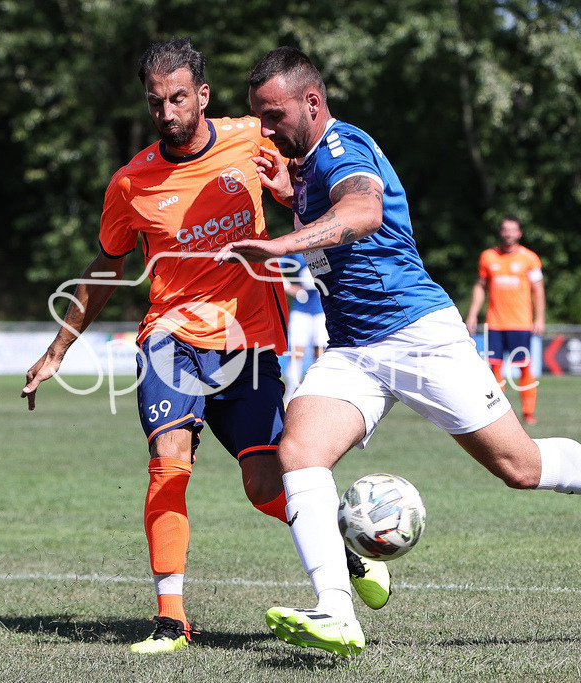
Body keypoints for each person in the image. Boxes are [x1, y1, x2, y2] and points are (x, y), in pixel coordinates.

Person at [216, 47, 581, 658]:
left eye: (273, 113)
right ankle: (336, 611)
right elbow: (339, 215)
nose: (264, 128)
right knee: (299, 452)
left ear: (313, 102)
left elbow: (362, 211)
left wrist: (281, 241)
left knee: (519, 468)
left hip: (420, 337)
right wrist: (292, 195)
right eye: (257, 115)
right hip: (354, 349)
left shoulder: (343, 148)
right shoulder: (309, 164)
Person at [20, 38, 389, 656]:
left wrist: (285, 192)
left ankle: (343, 550)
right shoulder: (131, 183)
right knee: (170, 465)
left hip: (249, 342)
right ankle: (171, 621)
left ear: (204, 97)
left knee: (266, 484)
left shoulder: (254, 137)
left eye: (178, 99)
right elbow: (106, 269)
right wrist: (59, 349)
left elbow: (312, 196)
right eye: (155, 101)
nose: (166, 113)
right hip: (169, 338)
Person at [465, 216, 546, 425]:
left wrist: (540, 318)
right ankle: (497, 412)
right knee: (494, 368)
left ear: (519, 233)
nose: (508, 233)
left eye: (513, 230)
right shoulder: (488, 257)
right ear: (500, 232)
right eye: (505, 229)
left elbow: (538, 290)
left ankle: (529, 412)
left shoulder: (530, 258)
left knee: (525, 367)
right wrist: (473, 313)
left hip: (520, 323)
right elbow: (480, 286)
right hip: (495, 324)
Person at [282, 252, 329, 400]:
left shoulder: (327, 245)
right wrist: (289, 287)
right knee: (297, 351)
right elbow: (272, 266)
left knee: (320, 353)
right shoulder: (296, 251)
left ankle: (318, 393)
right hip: (301, 309)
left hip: (322, 310)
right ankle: (290, 395)